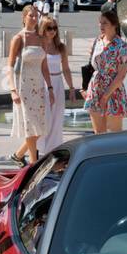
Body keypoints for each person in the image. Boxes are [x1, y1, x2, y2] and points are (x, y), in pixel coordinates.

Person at [7, 4, 52, 164]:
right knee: (30, 125)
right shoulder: (18, 38)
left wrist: (50, 88)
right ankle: (33, 162)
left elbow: (45, 66)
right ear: (24, 17)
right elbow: (10, 65)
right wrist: (12, 89)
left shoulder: (41, 39)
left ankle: (18, 155)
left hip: (39, 85)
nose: (34, 18)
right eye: (30, 15)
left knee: (40, 126)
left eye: (35, 16)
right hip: (23, 86)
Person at [85, 9, 127, 133]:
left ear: (114, 25)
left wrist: (105, 96)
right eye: (100, 23)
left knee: (115, 135)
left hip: (113, 90)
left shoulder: (122, 45)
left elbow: (121, 75)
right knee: (98, 134)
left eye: (104, 23)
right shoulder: (97, 41)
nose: (101, 26)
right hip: (96, 88)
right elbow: (91, 66)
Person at [38, 17, 76, 153]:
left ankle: (53, 150)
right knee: (45, 118)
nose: (52, 31)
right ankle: (41, 150)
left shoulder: (61, 47)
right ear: (43, 29)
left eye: (54, 28)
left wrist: (71, 88)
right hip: (43, 83)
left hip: (58, 82)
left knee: (57, 118)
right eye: (49, 28)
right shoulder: (39, 46)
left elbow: (66, 68)